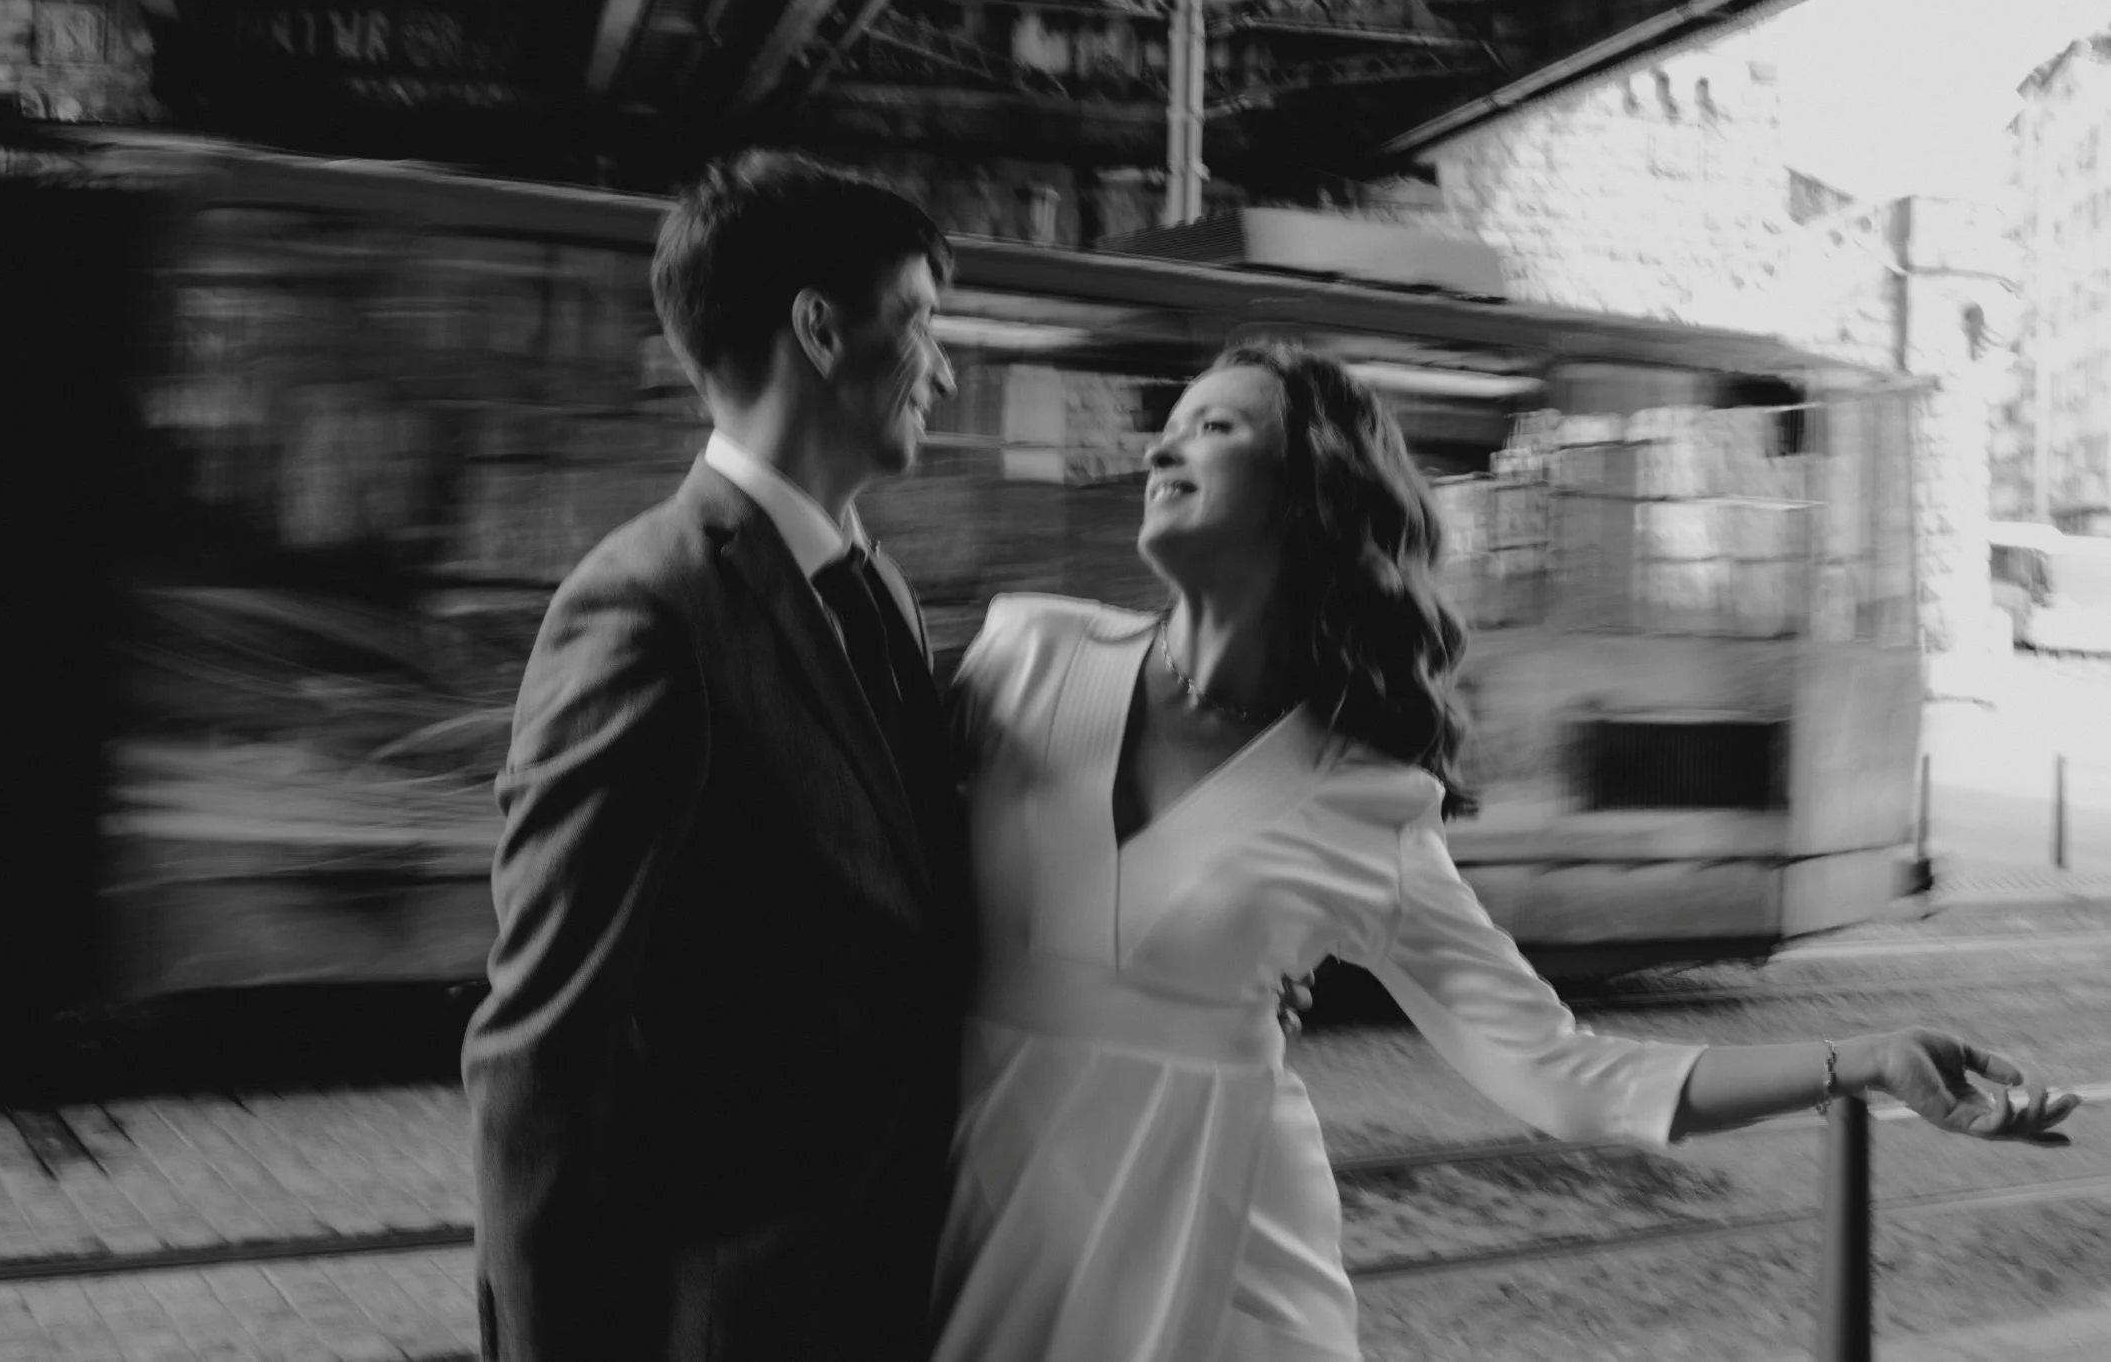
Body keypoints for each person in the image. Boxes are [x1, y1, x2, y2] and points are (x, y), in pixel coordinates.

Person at [930, 343, 2082, 1362]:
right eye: (1168, 426)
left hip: (1218, 1265)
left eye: (1214, 427)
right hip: (974, 1222)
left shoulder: (1365, 801)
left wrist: (1864, 1059)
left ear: (1307, 499)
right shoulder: (1024, 654)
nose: (1161, 449)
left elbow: (1558, 1069)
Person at [462, 151, 968, 1362]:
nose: (943, 370)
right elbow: (543, 1059)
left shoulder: (880, 590)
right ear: (818, 328)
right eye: (922, 324)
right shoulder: (645, 611)